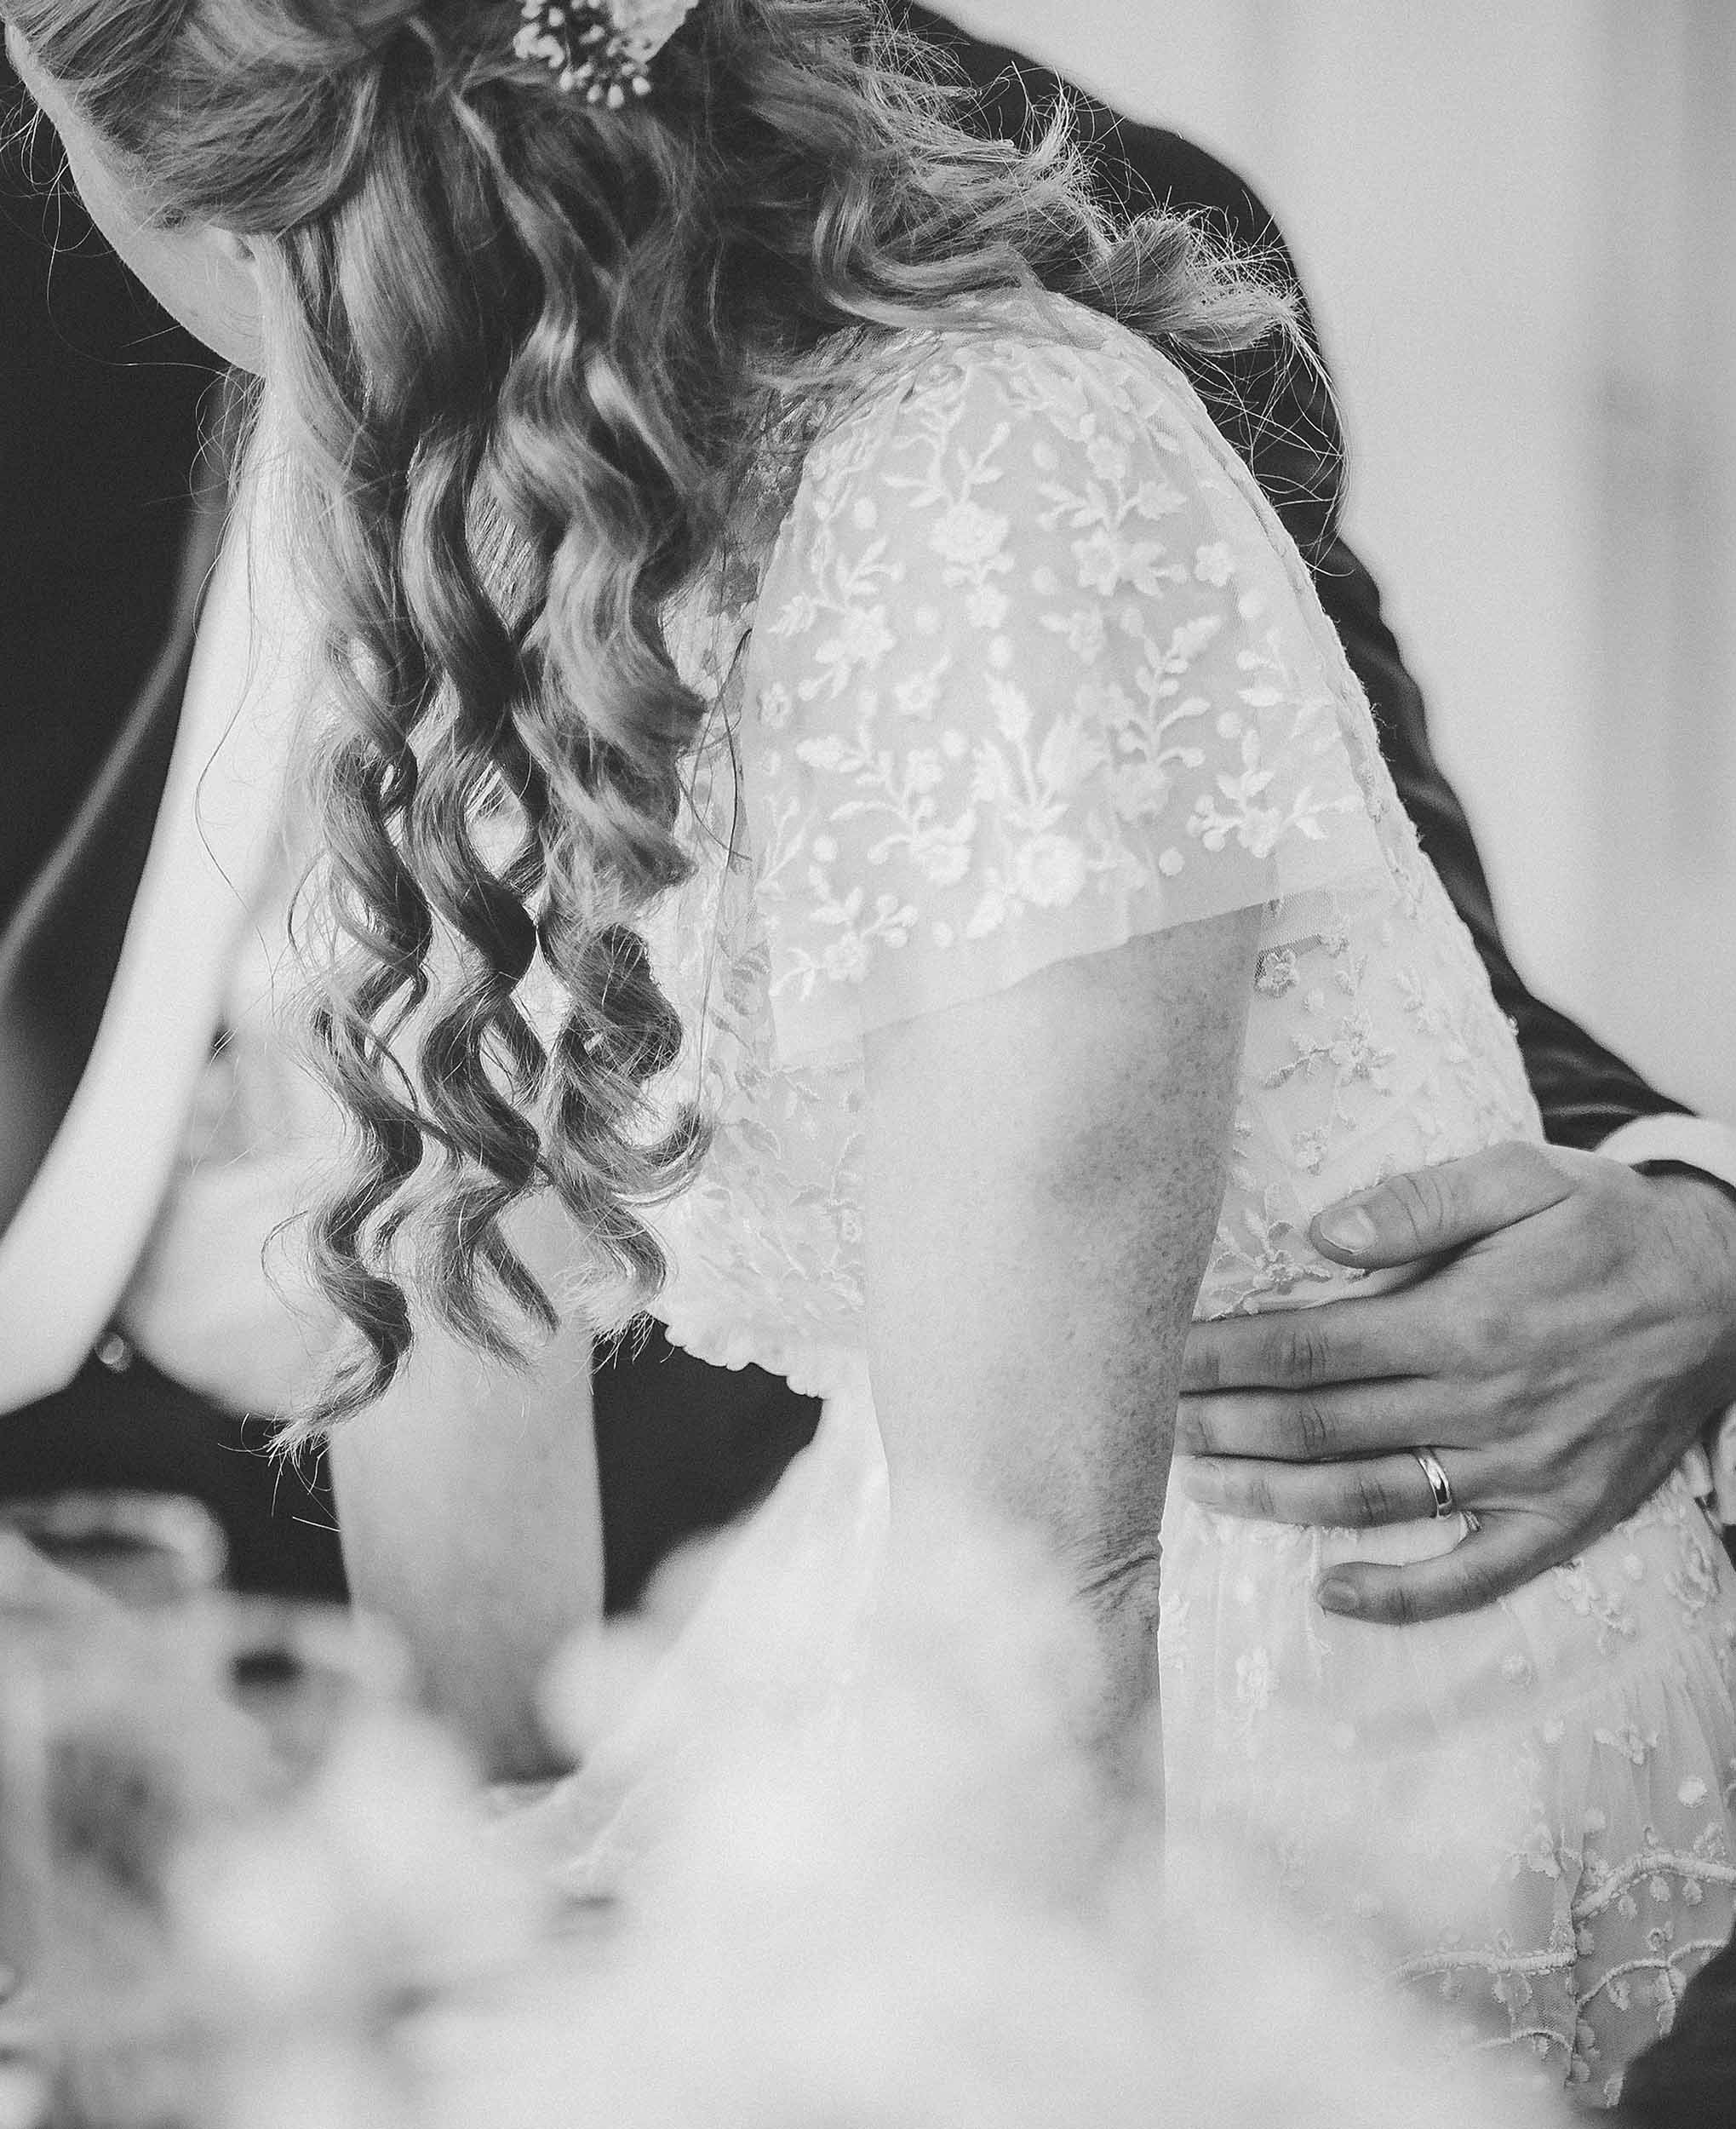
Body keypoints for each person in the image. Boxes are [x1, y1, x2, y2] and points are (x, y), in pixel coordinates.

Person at [8, 0, 1733, 2097]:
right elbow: (472, 1275)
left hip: (1274, 1684)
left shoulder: (994, 486)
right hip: (853, 1615)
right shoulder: (417, 396)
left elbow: (1043, 1594)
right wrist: (442, 1937)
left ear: (205, 174)